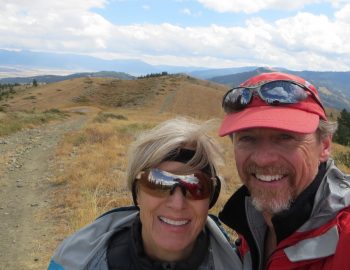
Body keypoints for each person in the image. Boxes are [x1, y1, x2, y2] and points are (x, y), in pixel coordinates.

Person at [48, 117, 242, 270]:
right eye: (158, 182)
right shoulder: (74, 262)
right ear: (137, 193)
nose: (177, 203)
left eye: (196, 186)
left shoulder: (242, 264)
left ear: (211, 197)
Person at [217, 71, 350, 270]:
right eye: (247, 138)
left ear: (324, 146)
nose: (263, 159)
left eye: (285, 137)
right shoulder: (252, 222)